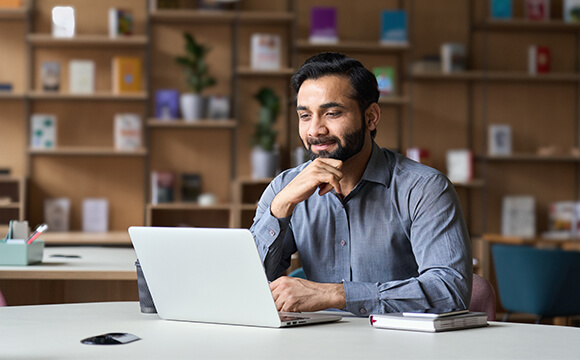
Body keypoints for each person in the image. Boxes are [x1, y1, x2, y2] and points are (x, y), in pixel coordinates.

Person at [250, 52, 472, 316]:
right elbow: (246, 285)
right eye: (305, 116)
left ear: (371, 117)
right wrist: (281, 208)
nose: (315, 130)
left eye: (331, 113)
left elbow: (450, 291)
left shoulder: (425, 188)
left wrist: (337, 294)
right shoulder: (284, 188)